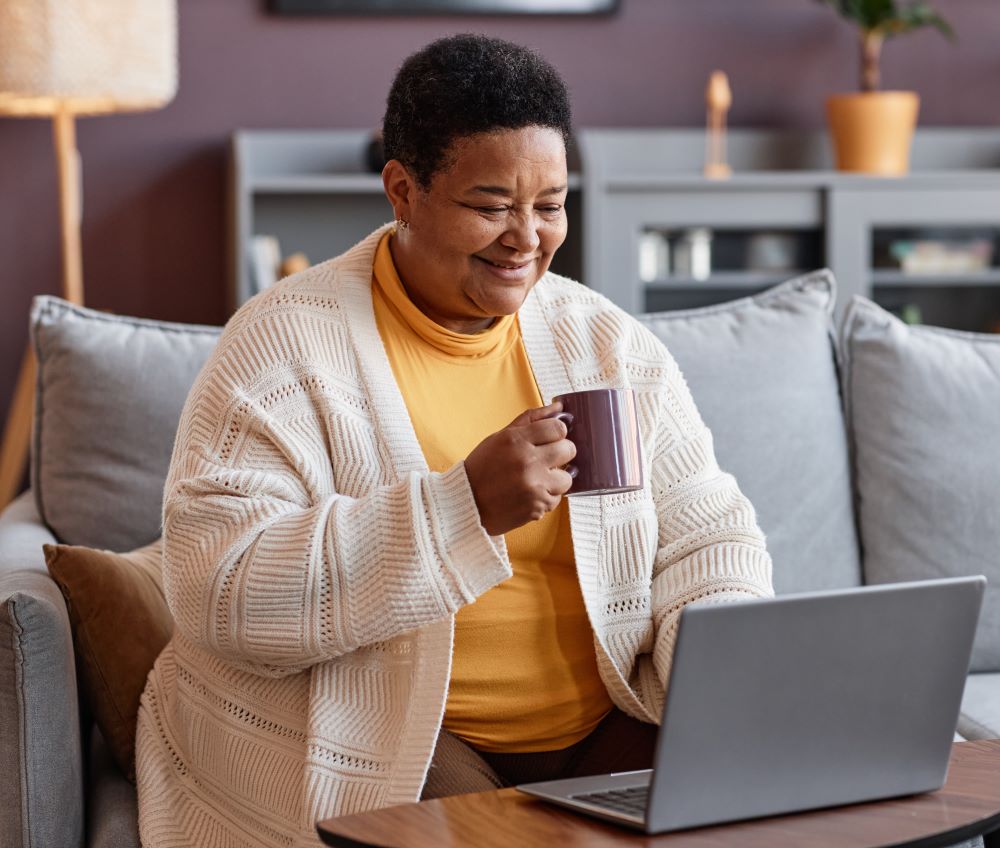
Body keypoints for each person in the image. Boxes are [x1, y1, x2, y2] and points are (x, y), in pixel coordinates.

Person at [136, 33, 773, 848]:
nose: (526, 238)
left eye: (550, 205)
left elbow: (708, 534)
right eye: (491, 206)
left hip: (600, 727)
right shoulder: (282, 349)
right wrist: (462, 507)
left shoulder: (605, 344)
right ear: (403, 191)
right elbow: (218, 591)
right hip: (399, 731)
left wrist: (719, 672)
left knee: (776, 805)